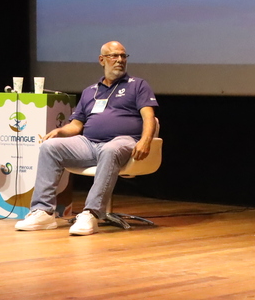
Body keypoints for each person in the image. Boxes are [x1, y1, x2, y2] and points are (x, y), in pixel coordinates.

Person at [15, 41, 158, 236]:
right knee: (49, 147)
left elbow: (149, 117)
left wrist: (145, 140)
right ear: (102, 60)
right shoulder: (91, 91)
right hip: (89, 143)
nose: (120, 60)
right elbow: (76, 125)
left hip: (123, 141)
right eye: (114, 56)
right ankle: (43, 212)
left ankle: (91, 213)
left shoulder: (138, 85)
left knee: (110, 149)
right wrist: (60, 132)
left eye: (123, 56)